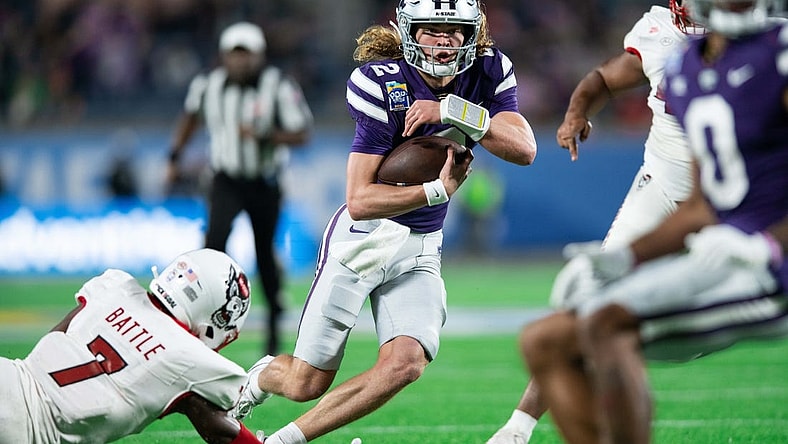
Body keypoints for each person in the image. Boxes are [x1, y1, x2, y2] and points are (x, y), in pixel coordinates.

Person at [231, 1, 537, 442]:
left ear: (473, 34)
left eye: (453, 30)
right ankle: (260, 378)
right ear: (410, 31)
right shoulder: (380, 82)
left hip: (422, 244)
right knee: (305, 383)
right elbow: (359, 200)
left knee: (406, 363)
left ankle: (281, 442)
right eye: (431, 29)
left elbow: (524, 148)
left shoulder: (488, 69)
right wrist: (436, 191)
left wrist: (453, 110)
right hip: (363, 240)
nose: (443, 40)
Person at [520, 0, 788, 442]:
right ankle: (519, 427)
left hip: (769, 260)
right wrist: (624, 258)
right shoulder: (683, 66)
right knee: (544, 341)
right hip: (706, 225)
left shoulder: (778, 52)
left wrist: (769, 241)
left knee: (604, 325)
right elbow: (701, 205)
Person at [487, 2, 704, 441]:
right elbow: (604, 78)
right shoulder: (660, 30)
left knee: (685, 339)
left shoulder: (770, 42)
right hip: (661, 185)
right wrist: (577, 110)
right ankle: (517, 428)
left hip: (733, 205)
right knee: (586, 299)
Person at [0, 248, 263, 443]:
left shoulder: (115, 287)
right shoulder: (189, 359)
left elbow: (57, 337)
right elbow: (220, 429)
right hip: (27, 431)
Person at [166, 21, 314, 356]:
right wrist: (175, 154)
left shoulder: (277, 85)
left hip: (265, 180)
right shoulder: (208, 84)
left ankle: (275, 327)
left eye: (246, 55)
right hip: (226, 179)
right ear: (224, 56)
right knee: (212, 247)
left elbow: (302, 133)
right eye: (235, 55)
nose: (240, 62)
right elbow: (190, 117)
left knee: (264, 253)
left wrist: (267, 136)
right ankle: (196, 322)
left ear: (259, 56)